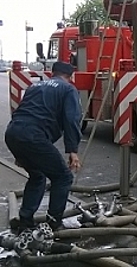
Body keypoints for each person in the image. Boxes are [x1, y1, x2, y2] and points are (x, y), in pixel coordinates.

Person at [6, 61, 82, 233]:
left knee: (37, 175)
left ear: (52, 73)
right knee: (63, 177)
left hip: (13, 132)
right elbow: (71, 120)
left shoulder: (35, 86)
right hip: (33, 136)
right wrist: (73, 151)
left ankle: (25, 220)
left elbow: (22, 110)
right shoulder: (68, 89)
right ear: (70, 77)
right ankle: (54, 223)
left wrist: (21, 152)